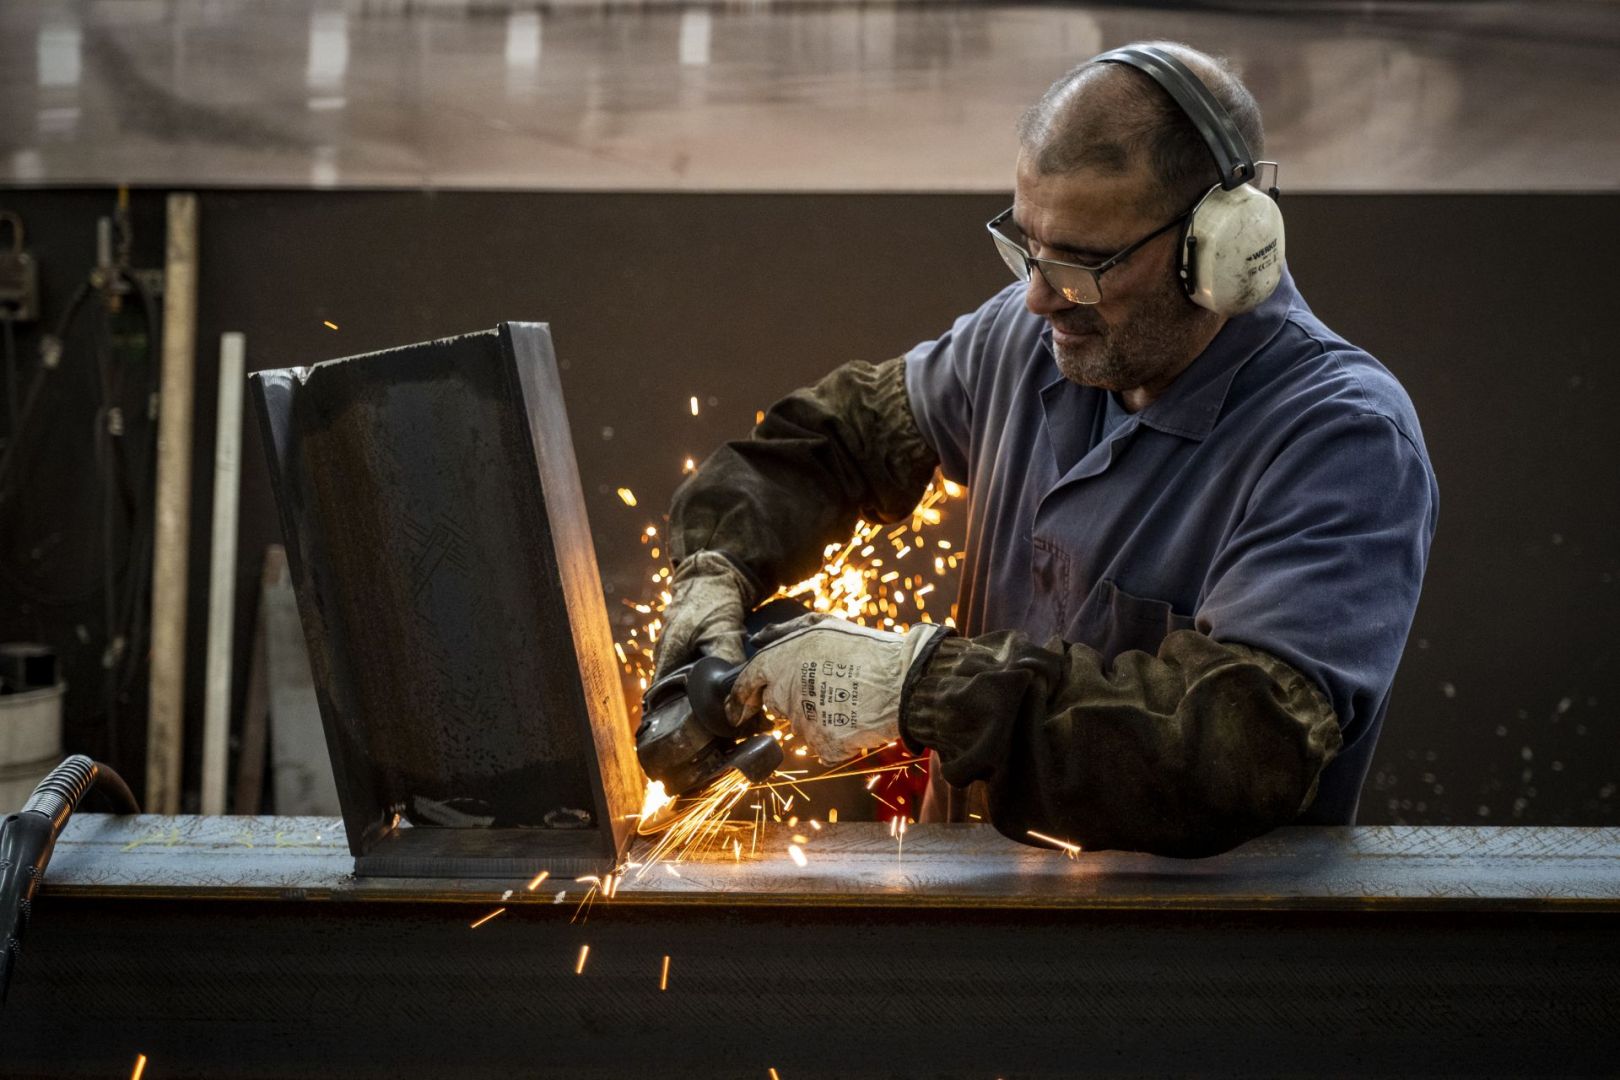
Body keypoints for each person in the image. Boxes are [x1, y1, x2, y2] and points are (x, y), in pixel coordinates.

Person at [652, 42, 1438, 858]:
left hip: (1186, 959)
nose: (1038, 296)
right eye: (1028, 246)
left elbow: (1233, 750)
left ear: (1221, 249)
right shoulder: (1025, 338)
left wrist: (923, 688)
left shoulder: (1341, 439)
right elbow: (844, 437)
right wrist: (717, 566)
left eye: (1084, 263)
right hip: (973, 925)